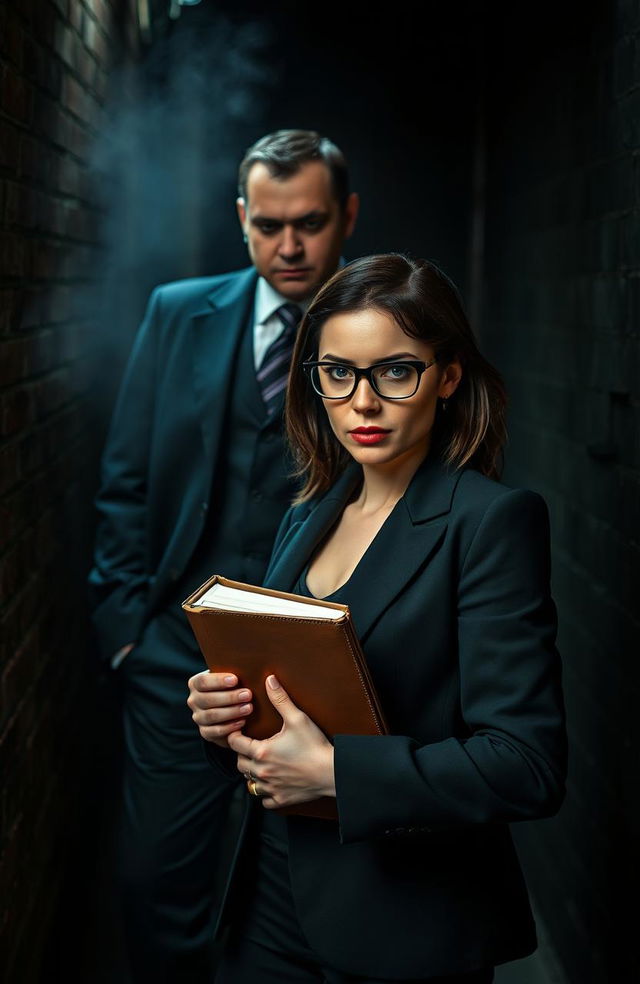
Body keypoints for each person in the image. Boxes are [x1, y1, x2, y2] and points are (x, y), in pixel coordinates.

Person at [188, 253, 567, 983]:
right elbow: (282, 707)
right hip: (268, 896)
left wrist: (338, 775)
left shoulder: (490, 523)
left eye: (395, 371)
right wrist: (223, 714)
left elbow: (527, 765)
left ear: (447, 377)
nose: (363, 402)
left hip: (401, 919)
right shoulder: (306, 515)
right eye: (338, 372)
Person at [88, 129, 359, 983]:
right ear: (241, 217)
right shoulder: (179, 312)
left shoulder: (384, 326)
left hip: (321, 655)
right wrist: (127, 629)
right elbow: (125, 477)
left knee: (296, 896)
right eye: (269, 223)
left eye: (310, 223)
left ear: (347, 217)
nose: (288, 246)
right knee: (153, 878)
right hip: (175, 647)